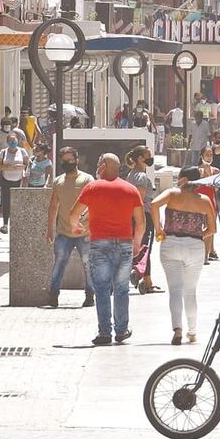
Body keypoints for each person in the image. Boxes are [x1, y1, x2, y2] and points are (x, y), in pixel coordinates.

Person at [69, 154, 144, 346]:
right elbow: (141, 222)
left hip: (99, 243)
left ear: (103, 166)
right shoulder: (131, 189)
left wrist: (76, 227)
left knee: (102, 289)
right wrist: (136, 243)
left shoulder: (92, 188)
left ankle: (104, 333)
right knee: (121, 288)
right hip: (125, 244)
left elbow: (73, 214)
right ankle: (121, 330)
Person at [152, 166, 217, 345]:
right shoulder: (204, 200)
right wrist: (197, 235)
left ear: (183, 178)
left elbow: (154, 204)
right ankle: (192, 331)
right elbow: (212, 229)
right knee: (190, 290)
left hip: (170, 243)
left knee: (175, 289)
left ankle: (177, 329)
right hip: (195, 246)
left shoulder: (172, 194)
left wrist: (159, 229)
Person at [47, 147, 95, 308]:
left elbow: (93, 204)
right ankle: (53, 295)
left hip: (85, 232)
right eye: (64, 161)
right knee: (59, 263)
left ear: (77, 160)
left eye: (70, 160)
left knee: (88, 265)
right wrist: (50, 229)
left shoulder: (87, 179)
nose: (67, 163)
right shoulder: (58, 181)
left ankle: (90, 295)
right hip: (63, 232)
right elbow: (54, 206)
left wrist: (86, 219)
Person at [126, 145, 162, 294]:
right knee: (145, 247)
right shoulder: (140, 176)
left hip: (135, 216)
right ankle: (137, 272)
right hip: (143, 216)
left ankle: (147, 282)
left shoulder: (131, 175)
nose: (150, 158)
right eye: (148, 155)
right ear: (140, 158)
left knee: (141, 247)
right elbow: (139, 199)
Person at [0, 133, 29, 235]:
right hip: (6, 180)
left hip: (19, 180)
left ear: (17, 141)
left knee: (17, 203)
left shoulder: (22, 151)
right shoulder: (3, 152)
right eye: (10, 141)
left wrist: (20, 167)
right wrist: (7, 167)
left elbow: (27, 165)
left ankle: (17, 225)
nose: (13, 142)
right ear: (7, 142)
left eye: (14, 141)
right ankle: (5, 224)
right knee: (6, 203)